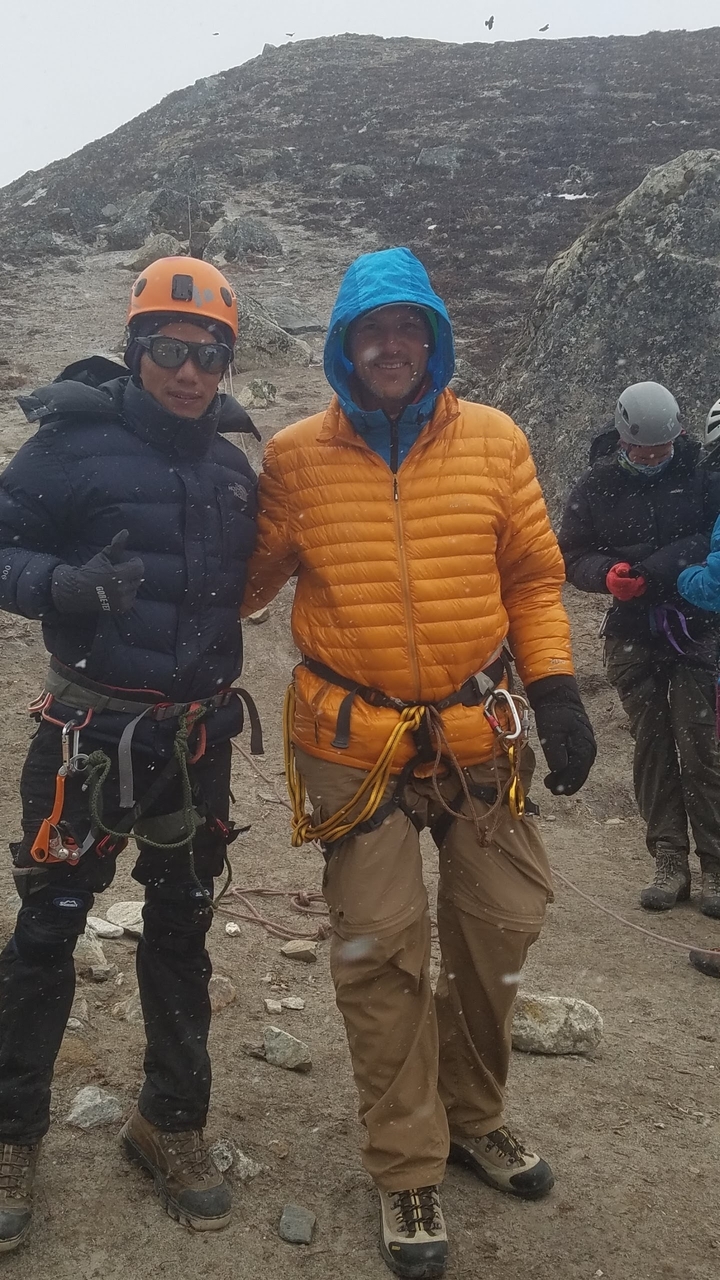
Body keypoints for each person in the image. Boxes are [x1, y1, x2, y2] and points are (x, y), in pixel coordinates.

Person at [242, 247, 596, 1279]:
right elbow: (248, 580)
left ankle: (475, 1112)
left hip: (479, 733)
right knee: (379, 946)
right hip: (355, 744)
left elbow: (534, 578)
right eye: (371, 330)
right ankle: (407, 1167)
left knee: (500, 925)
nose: (392, 346)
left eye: (410, 329)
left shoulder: (495, 441)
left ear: (434, 338)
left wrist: (559, 688)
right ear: (343, 346)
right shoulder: (296, 459)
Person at [0, 257, 260, 1251]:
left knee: (183, 929)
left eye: (210, 354)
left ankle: (172, 1120)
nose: (189, 372)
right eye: (169, 349)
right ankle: (11, 1131)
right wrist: (60, 585)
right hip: (88, 738)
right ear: (136, 344)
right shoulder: (67, 447)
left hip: (195, 742)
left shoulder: (235, 470)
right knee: (46, 931)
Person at [559, 381, 720, 920]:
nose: (653, 458)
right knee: (652, 742)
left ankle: (715, 866)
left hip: (695, 628)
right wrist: (606, 576)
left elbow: (710, 538)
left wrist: (654, 570)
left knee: (702, 744)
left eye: (661, 449)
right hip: (631, 631)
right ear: (624, 441)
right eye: (642, 450)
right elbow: (572, 554)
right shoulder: (596, 485)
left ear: (677, 437)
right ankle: (669, 861)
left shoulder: (702, 477)